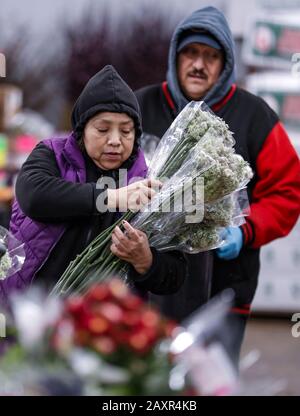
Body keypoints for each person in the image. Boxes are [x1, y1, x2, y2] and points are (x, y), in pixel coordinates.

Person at [135, 7, 300, 362]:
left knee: (210, 383)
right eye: (191, 53)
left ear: (226, 65)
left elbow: (288, 192)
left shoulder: (254, 115)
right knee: (140, 382)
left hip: (222, 288)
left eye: (211, 56)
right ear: (175, 56)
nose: (199, 64)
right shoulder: (139, 106)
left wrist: (247, 231)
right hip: (144, 282)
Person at [0, 65, 187, 308]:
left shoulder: (149, 181)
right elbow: (33, 197)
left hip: (105, 325)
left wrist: (146, 259)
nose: (115, 140)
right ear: (82, 130)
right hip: (34, 311)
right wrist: (110, 198)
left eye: (126, 131)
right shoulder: (52, 154)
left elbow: (175, 275)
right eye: (102, 129)